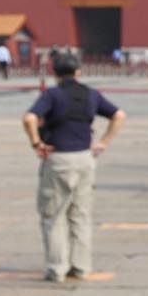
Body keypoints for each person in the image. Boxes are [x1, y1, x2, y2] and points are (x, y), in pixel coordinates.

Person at [22, 53, 125, 282]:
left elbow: (29, 118)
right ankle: (81, 267)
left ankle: (57, 268)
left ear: (55, 74)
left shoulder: (52, 95)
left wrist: (36, 143)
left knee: (54, 214)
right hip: (84, 158)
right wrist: (104, 142)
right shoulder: (91, 94)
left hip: (58, 158)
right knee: (80, 215)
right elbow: (118, 114)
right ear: (78, 72)